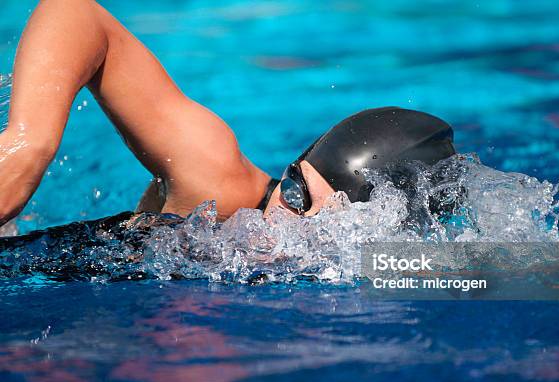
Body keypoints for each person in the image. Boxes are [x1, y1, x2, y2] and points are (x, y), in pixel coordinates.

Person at [0, 0, 455, 232]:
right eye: (293, 187)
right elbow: (77, 14)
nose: (278, 216)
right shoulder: (221, 187)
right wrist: (29, 145)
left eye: (305, 208)